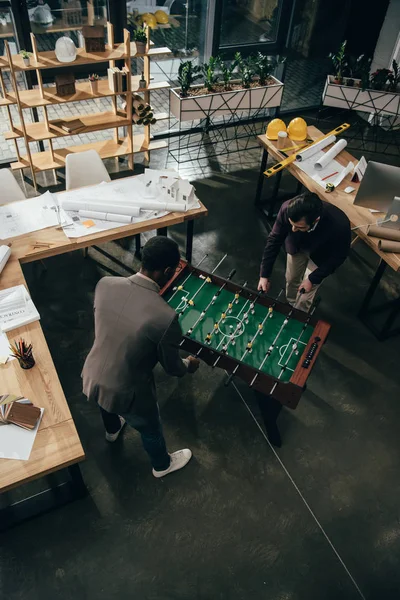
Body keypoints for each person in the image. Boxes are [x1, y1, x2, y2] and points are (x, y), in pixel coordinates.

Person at [82, 236, 200, 478]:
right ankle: (162, 465)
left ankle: (112, 430)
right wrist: (189, 364)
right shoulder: (165, 317)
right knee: (151, 428)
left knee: (106, 402)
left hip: (92, 373)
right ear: (167, 271)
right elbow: (172, 367)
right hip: (129, 392)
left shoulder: (105, 284)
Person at [258, 192, 351, 311]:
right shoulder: (287, 209)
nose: (293, 229)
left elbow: (339, 256)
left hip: (321, 254)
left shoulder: (339, 225)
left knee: (305, 296)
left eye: (299, 227)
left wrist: (313, 279)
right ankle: (292, 304)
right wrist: (264, 275)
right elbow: (274, 240)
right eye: (292, 224)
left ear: (316, 220)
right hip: (296, 246)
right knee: (291, 279)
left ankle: (299, 313)